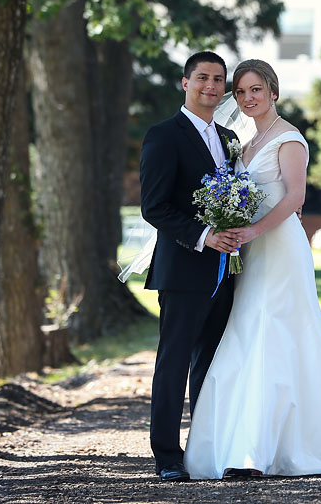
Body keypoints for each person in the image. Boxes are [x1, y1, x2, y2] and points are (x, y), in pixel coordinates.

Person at [183, 59, 321, 478]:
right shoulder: (244, 141)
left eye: (255, 89)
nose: (247, 98)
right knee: (247, 329)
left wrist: (252, 230)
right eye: (240, 92)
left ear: (273, 91)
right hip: (250, 251)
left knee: (275, 328)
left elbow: (294, 197)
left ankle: (264, 450)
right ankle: (245, 441)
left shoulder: (289, 138)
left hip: (279, 246)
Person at [140, 51, 241, 482]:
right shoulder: (163, 135)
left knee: (211, 362)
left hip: (227, 272)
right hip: (183, 269)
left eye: (219, 79)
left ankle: (202, 448)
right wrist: (204, 236)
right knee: (174, 362)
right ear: (185, 83)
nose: (211, 87)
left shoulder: (229, 137)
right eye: (203, 78)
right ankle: (166, 455)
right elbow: (155, 206)